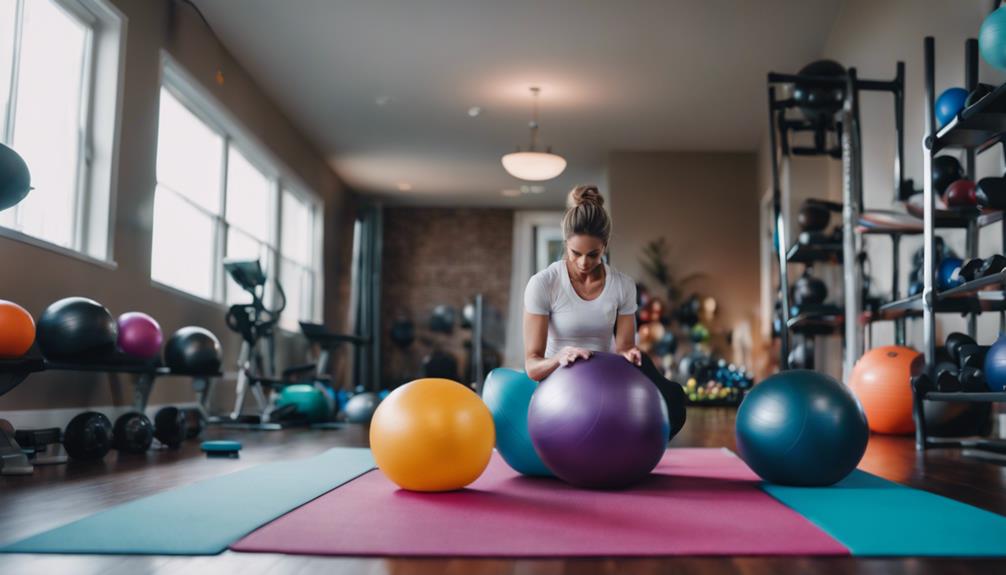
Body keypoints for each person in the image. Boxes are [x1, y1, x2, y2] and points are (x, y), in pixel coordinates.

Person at [523, 185, 687, 438]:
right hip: (559, 387)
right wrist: (560, 357)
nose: (584, 263)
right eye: (575, 253)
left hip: (603, 381)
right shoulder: (544, 283)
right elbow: (532, 366)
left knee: (672, 396)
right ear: (565, 242)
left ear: (605, 245)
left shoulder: (622, 285)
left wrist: (630, 355)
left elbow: (623, 348)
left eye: (594, 254)